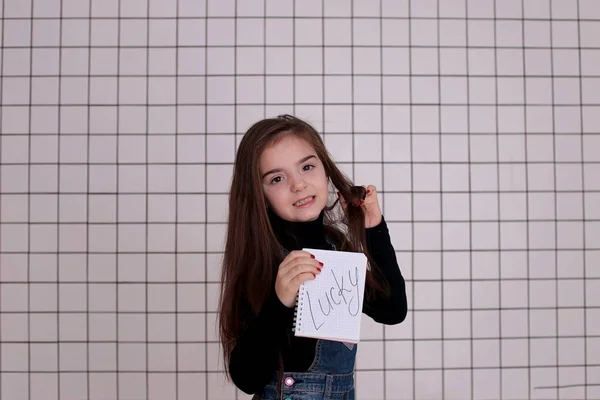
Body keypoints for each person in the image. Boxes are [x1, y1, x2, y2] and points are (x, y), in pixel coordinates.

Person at [218, 115, 408, 399]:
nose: (299, 185)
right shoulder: (264, 259)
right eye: (277, 178)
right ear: (258, 193)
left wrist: (373, 228)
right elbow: (246, 377)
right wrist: (279, 300)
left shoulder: (336, 247)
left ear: (326, 170)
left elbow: (392, 310)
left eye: (307, 167)